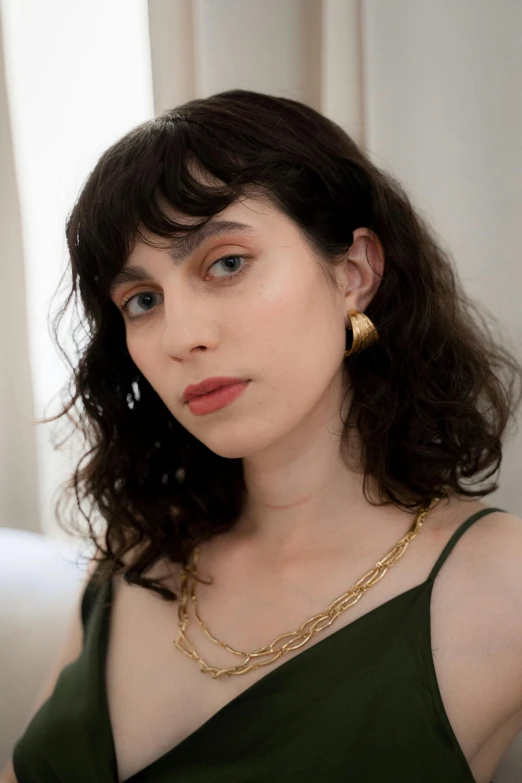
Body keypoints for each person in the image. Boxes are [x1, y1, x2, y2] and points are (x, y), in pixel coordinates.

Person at [5, 89, 522, 783]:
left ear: (353, 273)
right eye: (143, 301)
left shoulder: (500, 580)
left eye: (226, 263)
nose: (182, 336)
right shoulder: (135, 559)